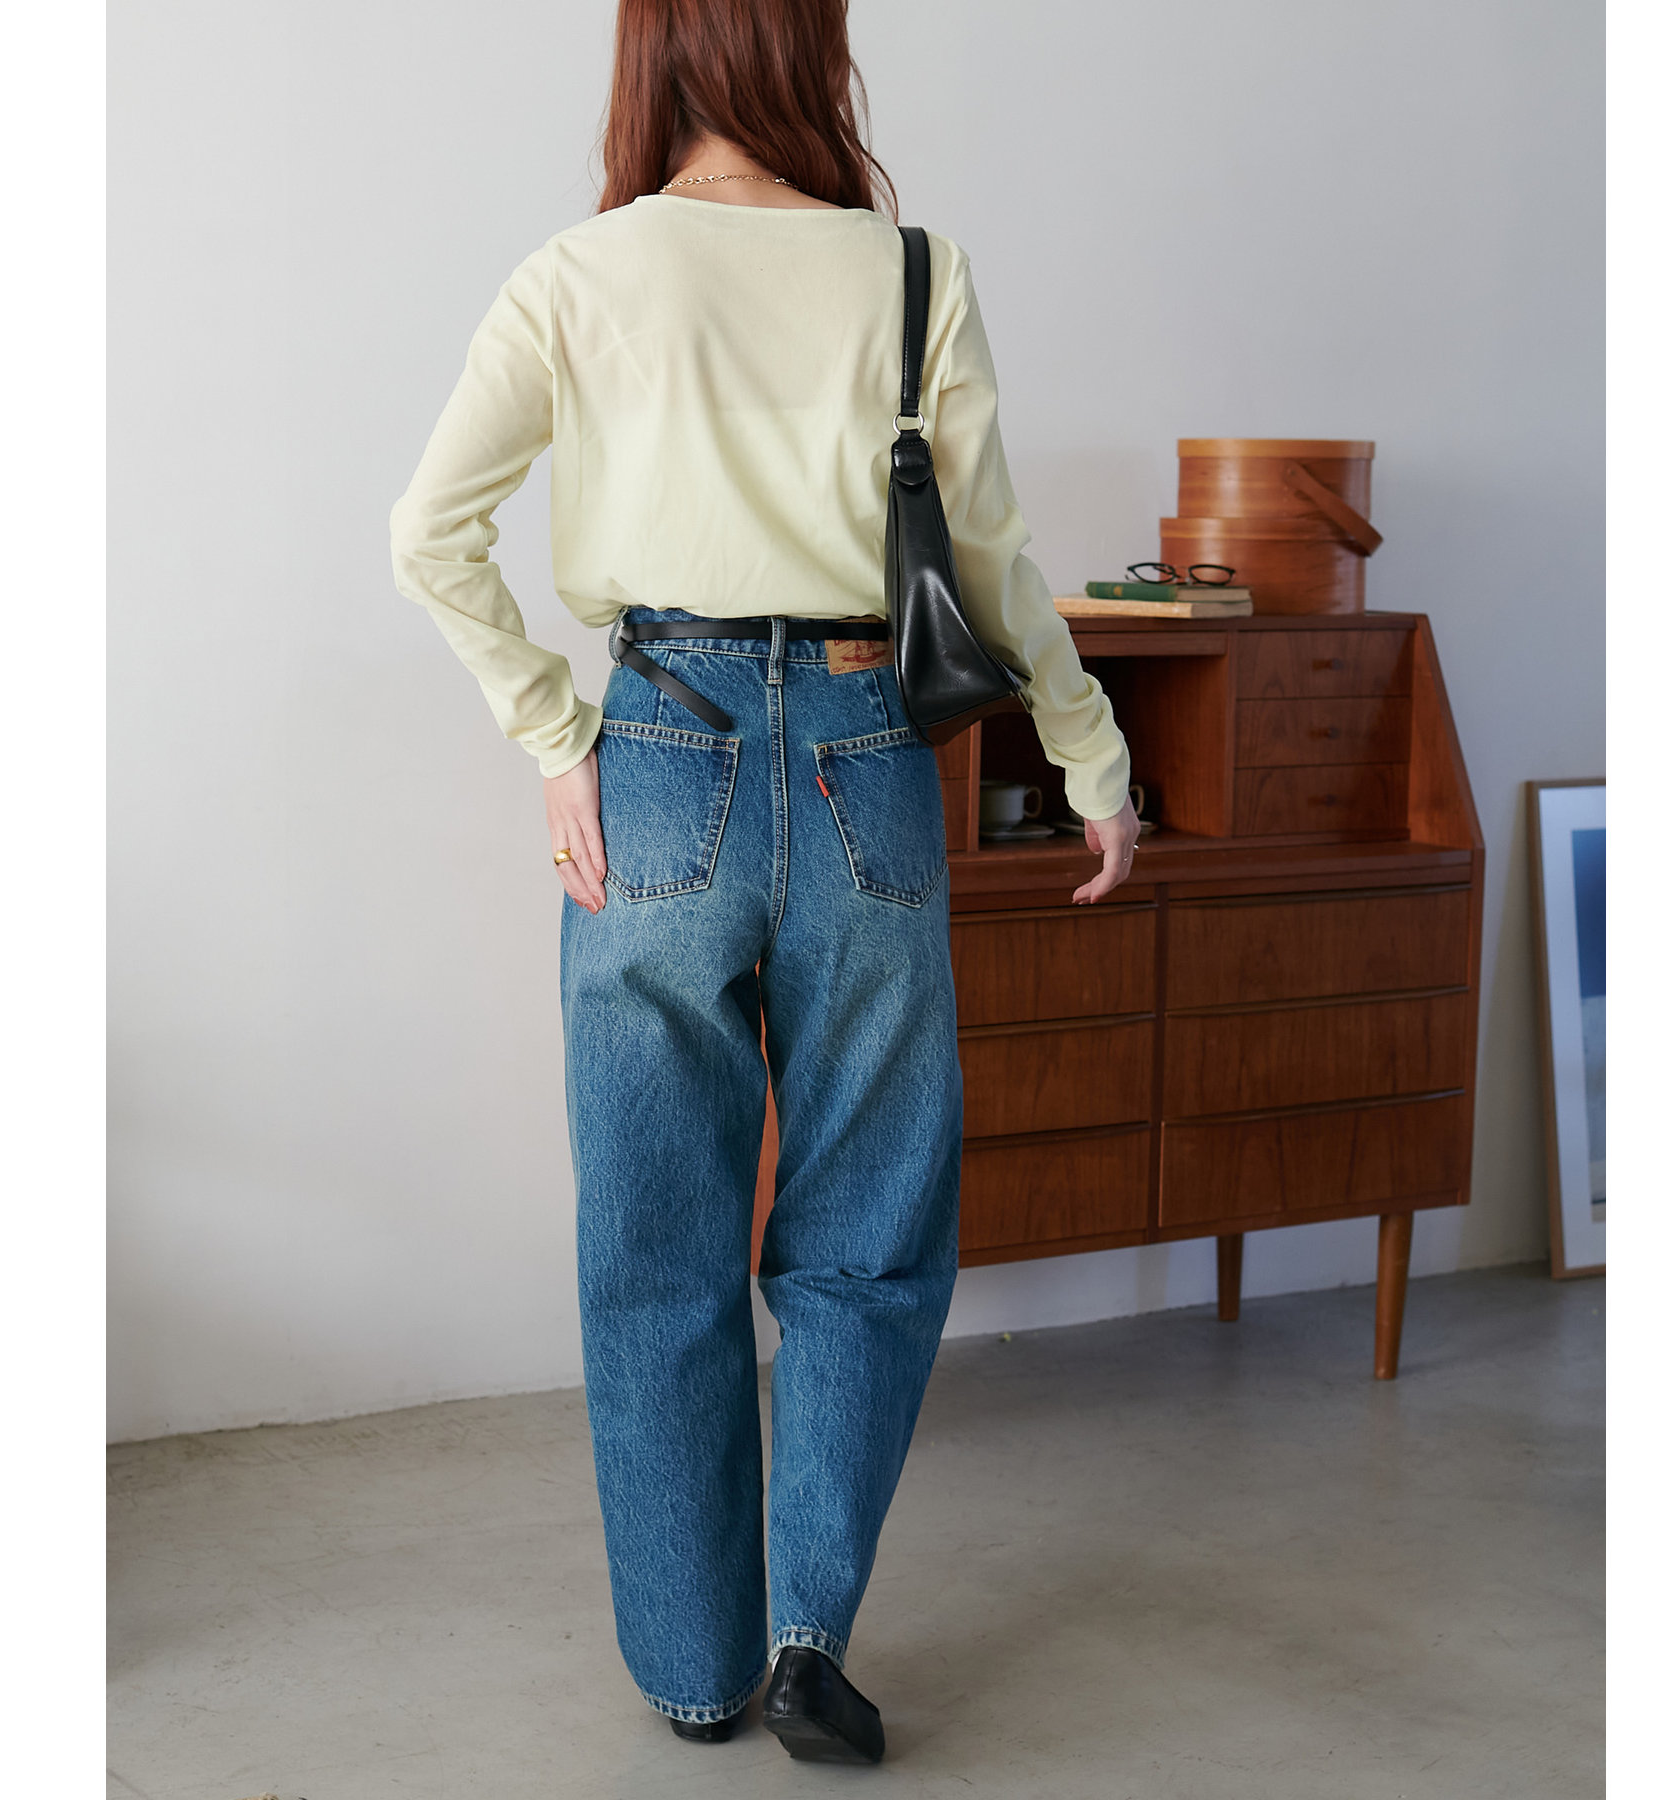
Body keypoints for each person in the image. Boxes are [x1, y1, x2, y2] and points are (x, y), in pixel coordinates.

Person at [388, 0, 1136, 1765]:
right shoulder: (912, 275)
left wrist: (555, 738)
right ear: (815, 50)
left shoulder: (579, 274)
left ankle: (693, 1675)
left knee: (655, 1248)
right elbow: (995, 560)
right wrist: (1092, 757)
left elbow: (428, 533)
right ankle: (811, 1636)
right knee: (868, 1236)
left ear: (653, 54)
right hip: (872, 761)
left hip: (658, 755)